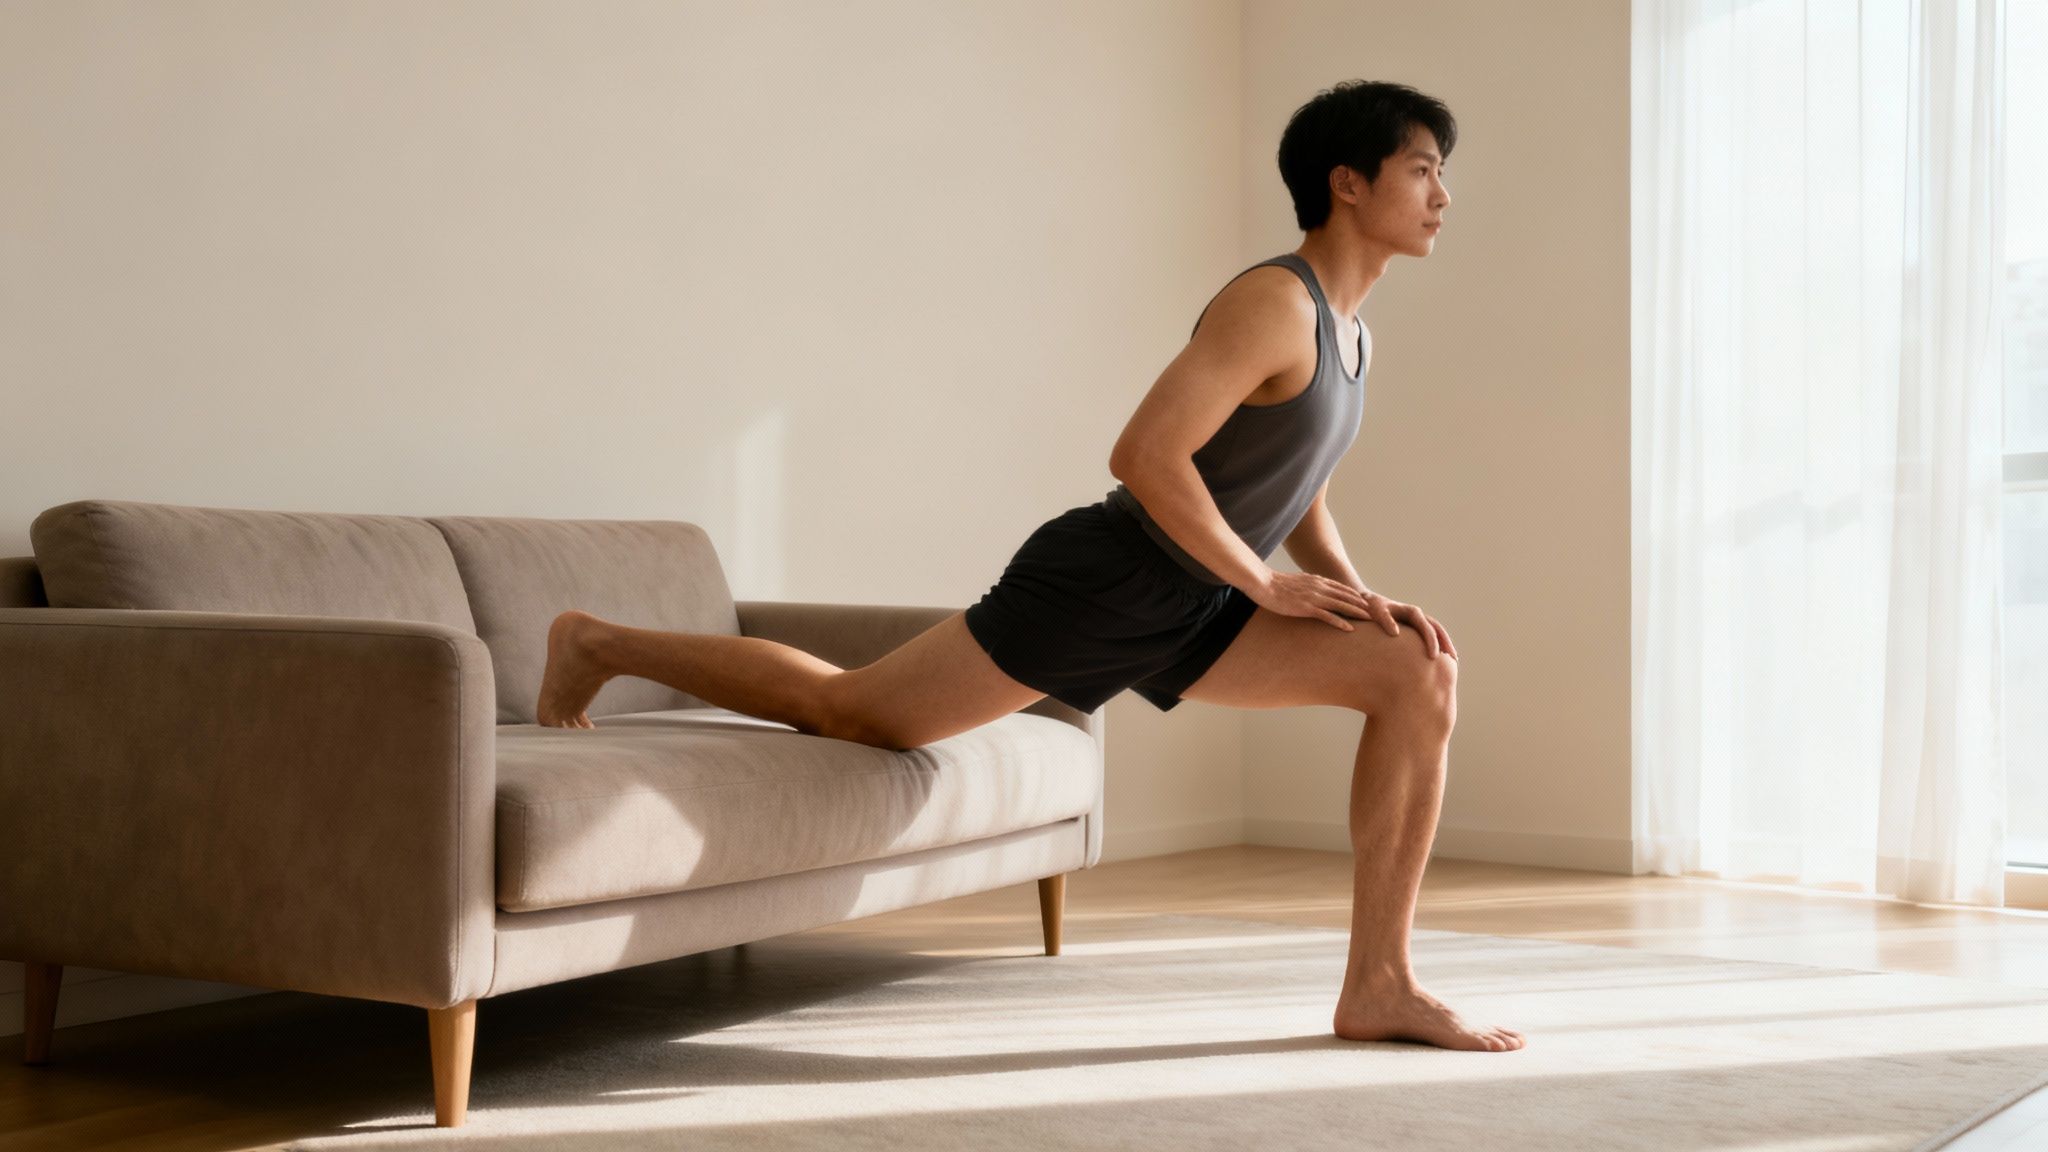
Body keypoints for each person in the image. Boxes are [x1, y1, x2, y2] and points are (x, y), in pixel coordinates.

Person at [536, 79, 1523, 1054]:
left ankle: (1379, 982)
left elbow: (1294, 479)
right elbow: (1144, 454)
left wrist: (1350, 592)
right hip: (1112, 576)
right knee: (855, 713)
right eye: (1423, 170)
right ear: (1346, 183)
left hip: (1199, 595)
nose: (1441, 195)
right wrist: (1262, 583)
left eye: (1441, 174)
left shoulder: (1350, 333)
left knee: (1415, 668)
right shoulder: (1274, 302)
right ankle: (599, 641)